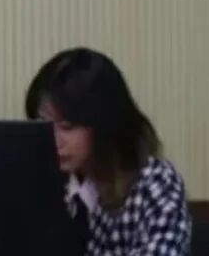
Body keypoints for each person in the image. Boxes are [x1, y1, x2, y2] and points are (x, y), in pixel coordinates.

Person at [25, 47, 192, 255]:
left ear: (103, 123)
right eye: (44, 124)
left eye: (67, 127)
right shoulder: (41, 181)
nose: (55, 140)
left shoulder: (154, 183)